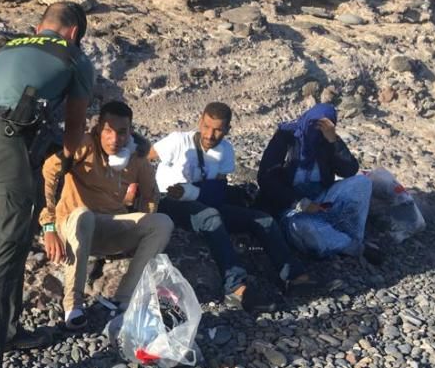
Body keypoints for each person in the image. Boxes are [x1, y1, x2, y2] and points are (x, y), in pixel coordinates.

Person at [0, 2, 96, 368]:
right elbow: (73, 131)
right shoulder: (74, 57)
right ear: (73, 33)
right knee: (5, 249)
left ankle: (11, 330)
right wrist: (72, 168)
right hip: (7, 145)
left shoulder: (8, 47)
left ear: (42, 26)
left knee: (13, 240)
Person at [151, 102, 313, 310]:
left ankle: (294, 277)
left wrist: (194, 192)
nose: (210, 135)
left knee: (262, 219)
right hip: (171, 201)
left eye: (218, 129)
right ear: (200, 122)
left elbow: (217, 189)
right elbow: (144, 158)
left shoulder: (225, 150)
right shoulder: (177, 141)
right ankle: (235, 288)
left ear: (227, 130)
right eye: (207, 127)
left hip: (204, 199)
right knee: (211, 218)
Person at [41, 101, 172, 329]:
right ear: (99, 127)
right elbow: (49, 170)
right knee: (84, 215)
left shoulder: (135, 156)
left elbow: (151, 194)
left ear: (130, 132)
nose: (115, 139)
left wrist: (141, 228)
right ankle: (74, 305)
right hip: (75, 226)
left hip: (110, 226)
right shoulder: (84, 144)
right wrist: (49, 226)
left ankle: (124, 299)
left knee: (162, 223)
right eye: (108, 131)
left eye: (122, 132)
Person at [257, 103, 378, 261]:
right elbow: (266, 178)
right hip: (290, 206)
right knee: (304, 227)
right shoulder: (286, 136)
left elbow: (349, 171)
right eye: (315, 124)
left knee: (362, 183)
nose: (317, 131)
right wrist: (300, 203)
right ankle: (352, 247)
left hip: (322, 198)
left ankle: (348, 236)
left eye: (324, 126)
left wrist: (334, 142)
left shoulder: (327, 141)